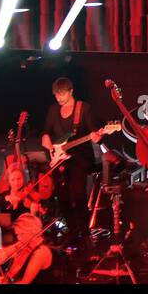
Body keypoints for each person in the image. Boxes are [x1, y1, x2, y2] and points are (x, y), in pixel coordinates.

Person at [41, 78, 100, 250]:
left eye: (62, 94)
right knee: (62, 197)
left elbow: (93, 130)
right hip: (58, 159)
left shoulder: (83, 109)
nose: (59, 98)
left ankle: (85, 233)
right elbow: (46, 130)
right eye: (56, 95)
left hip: (79, 159)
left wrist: (97, 135)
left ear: (71, 91)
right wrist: (45, 137)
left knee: (79, 196)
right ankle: (73, 230)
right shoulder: (53, 110)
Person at [0, 213, 53, 284]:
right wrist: (6, 279)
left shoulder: (42, 252)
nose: (19, 238)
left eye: (21, 234)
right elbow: (1, 256)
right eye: (17, 235)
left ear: (33, 232)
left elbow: (24, 282)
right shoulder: (26, 246)